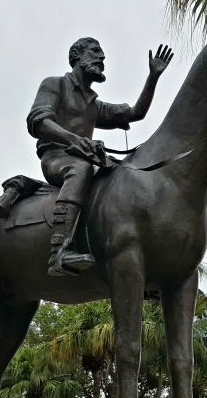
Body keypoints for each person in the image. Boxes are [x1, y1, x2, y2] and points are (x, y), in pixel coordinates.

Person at [27, 37, 173, 276]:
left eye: (102, 54)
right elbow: (38, 121)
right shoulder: (55, 84)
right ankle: (60, 249)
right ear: (77, 56)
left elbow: (136, 113)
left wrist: (153, 76)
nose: (102, 58)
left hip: (84, 158)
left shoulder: (94, 105)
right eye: (95, 52)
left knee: (122, 177)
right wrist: (75, 140)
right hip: (57, 159)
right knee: (80, 169)